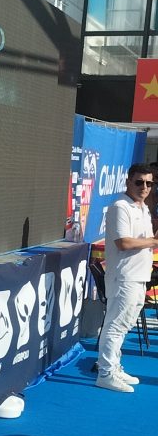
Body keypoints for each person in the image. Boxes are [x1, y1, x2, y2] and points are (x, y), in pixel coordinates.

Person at [95, 163, 158, 393]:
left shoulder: (143, 208)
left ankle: (114, 366)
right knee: (115, 325)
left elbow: (142, 241)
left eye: (149, 183)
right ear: (128, 182)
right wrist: (154, 242)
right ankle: (105, 373)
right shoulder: (120, 206)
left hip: (139, 275)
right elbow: (124, 243)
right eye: (139, 182)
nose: (144, 187)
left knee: (123, 325)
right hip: (124, 276)